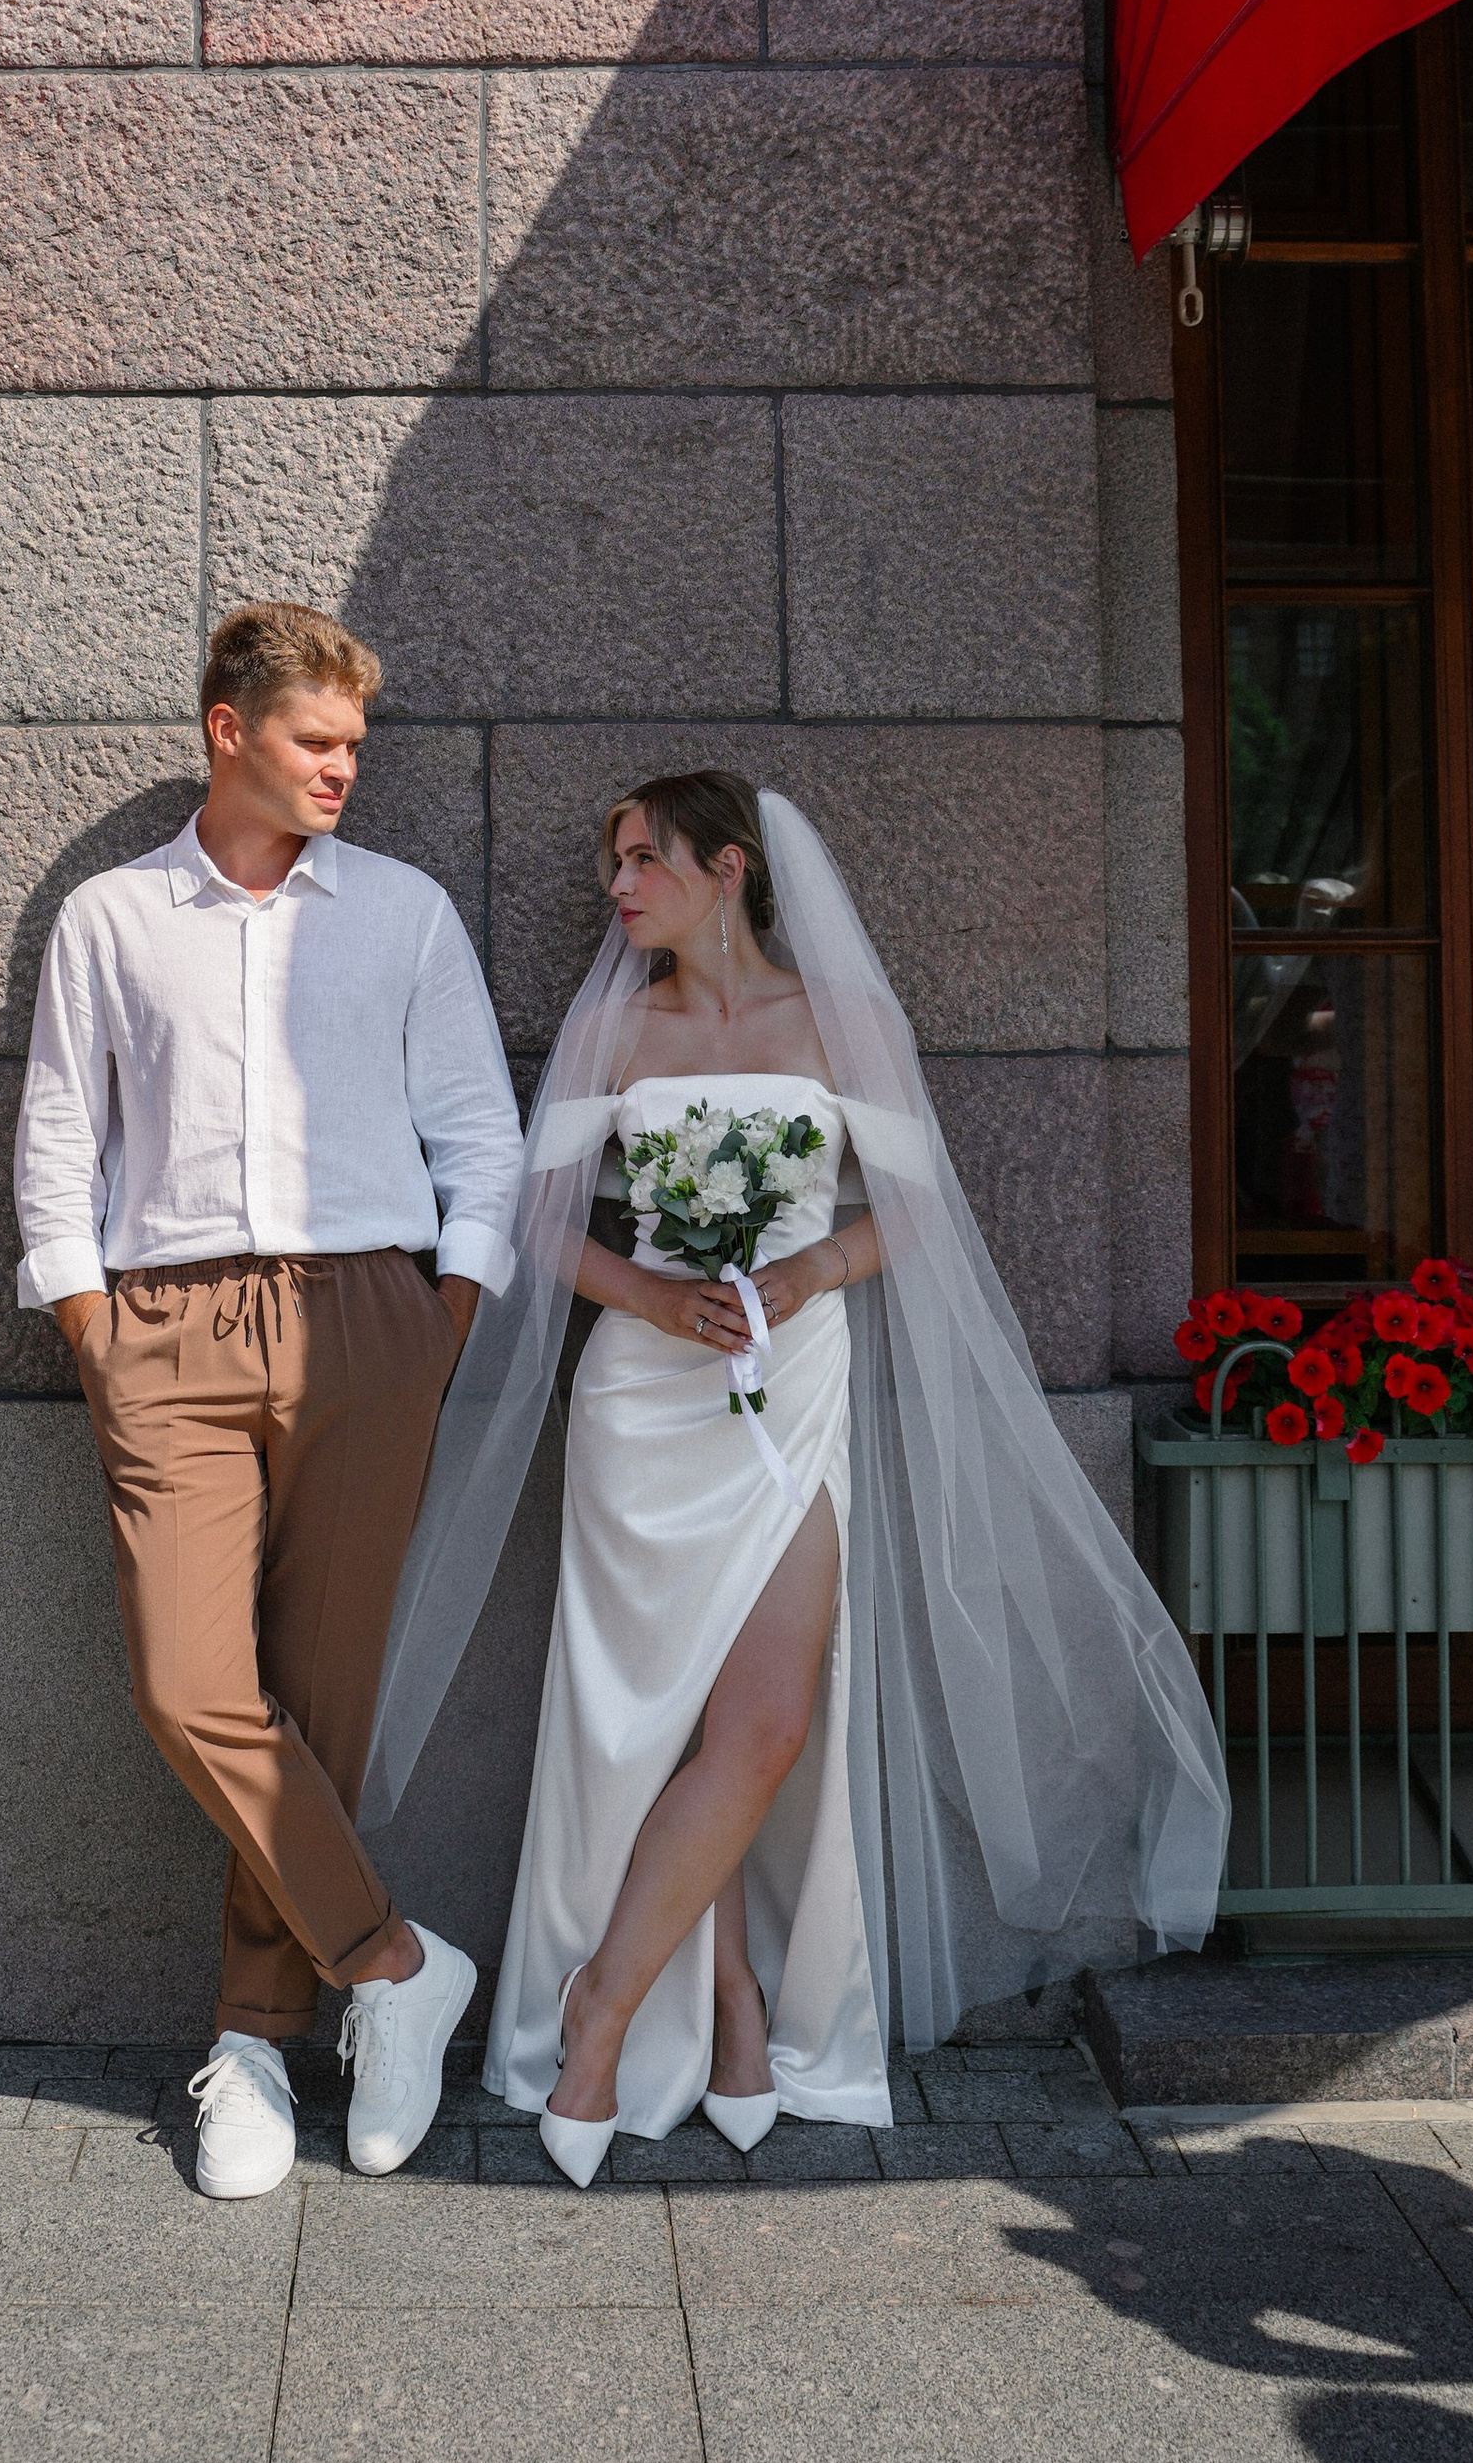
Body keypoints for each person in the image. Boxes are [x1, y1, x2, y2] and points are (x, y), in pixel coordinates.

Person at [361, 771, 1229, 2185]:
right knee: (645, 1729)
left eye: (644, 861)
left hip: (790, 1390)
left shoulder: (843, 1024)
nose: (620, 889)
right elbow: (538, 1220)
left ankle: (602, 2009)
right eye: (610, 868)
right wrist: (649, 1295)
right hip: (644, 1406)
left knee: (762, 1729)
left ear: (730, 868)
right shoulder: (617, 1027)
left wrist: (812, 1264)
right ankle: (726, 2001)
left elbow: (916, 1209)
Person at [15, 601, 523, 2198]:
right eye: (316, 739)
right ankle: (390, 1963)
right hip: (164, 1322)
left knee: (322, 1702)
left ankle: (253, 2046)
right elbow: (56, 1134)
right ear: (226, 729)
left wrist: (439, 1325)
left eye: (356, 747)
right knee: (189, 1683)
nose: (342, 770)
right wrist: (93, 1322)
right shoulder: (110, 918)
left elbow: (477, 1132)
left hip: (369, 1318)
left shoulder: (402, 913)